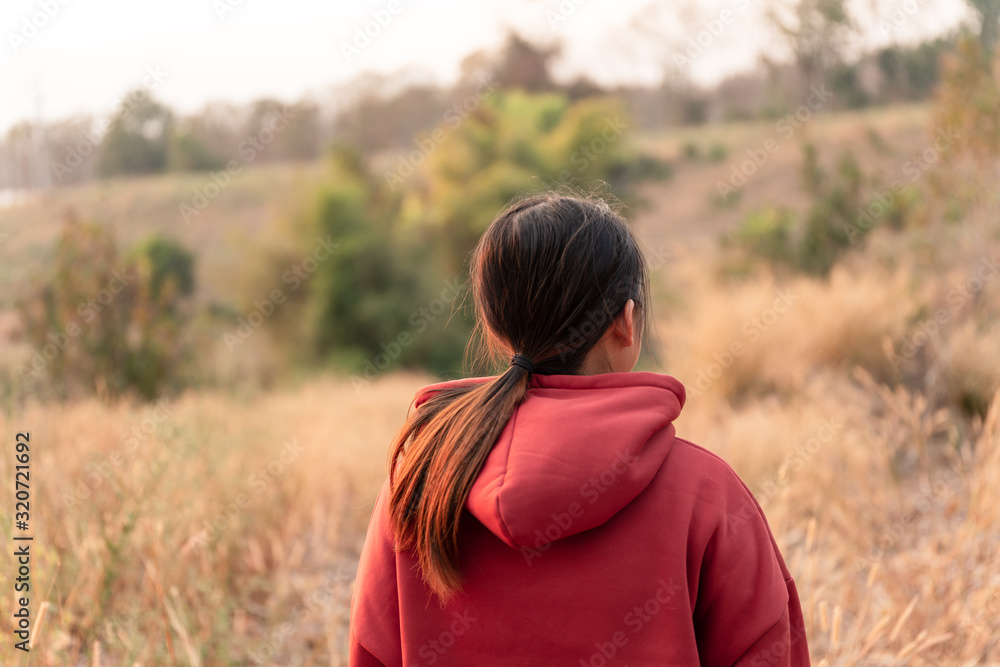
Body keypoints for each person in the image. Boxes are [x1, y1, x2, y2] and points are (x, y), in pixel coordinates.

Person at [349, 194, 810, 666]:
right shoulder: (706, 493)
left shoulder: (422, 483)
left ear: (494, 326)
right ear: (626, 321)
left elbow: (373, 652)